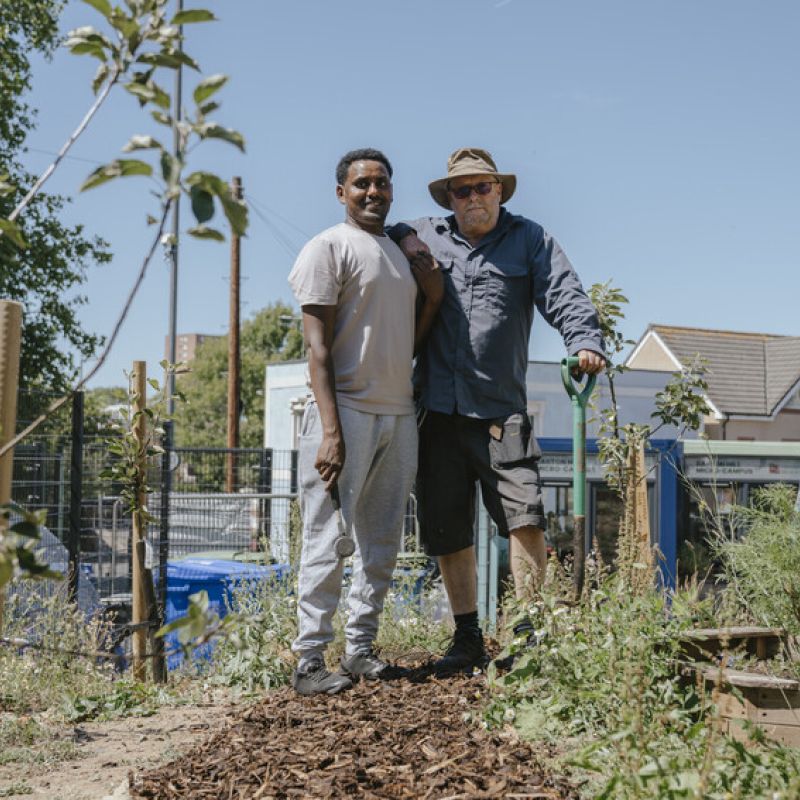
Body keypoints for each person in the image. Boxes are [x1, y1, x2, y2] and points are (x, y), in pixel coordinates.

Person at [388, 147, 606, 674]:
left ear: (499, 191)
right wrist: (403, 237)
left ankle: (532, 636)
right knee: (446, 528)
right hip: (437, 412)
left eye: (482, 187)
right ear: (450, 199)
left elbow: (564, 293)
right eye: (461, 191)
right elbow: (383, 228)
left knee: (524, 516)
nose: (473, 198)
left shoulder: (530, 239)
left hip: (499, 412)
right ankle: (467, 639)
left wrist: (583, 339)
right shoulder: (428, 234)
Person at [288, 148, 442, 695]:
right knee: (328, 538)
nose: (373, 192)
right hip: (345, 413)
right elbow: (317, 349)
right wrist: (330, 432)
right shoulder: (326, 247)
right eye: (361, 185)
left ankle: (358, 649)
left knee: (381, 542)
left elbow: (410, 339)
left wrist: (431, 291)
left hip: (398, 414)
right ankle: (309, 659)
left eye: (381, 183)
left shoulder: (399, 254)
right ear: (341, 193)